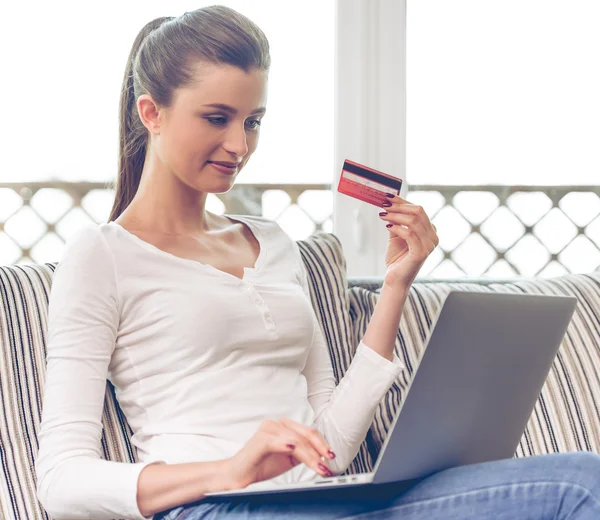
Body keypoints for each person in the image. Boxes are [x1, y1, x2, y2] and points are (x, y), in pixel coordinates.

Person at [34, 5, 600, 520]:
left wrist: (396, 286)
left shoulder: (273, 243)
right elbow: (61, 481)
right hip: (216, 506)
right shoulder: (102, 255)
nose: (240, 146)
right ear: (151, 112)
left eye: (253, 121)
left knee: (584, 482)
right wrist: (228, 470)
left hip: (325, 498)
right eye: (216, 118)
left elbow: (332, 441)